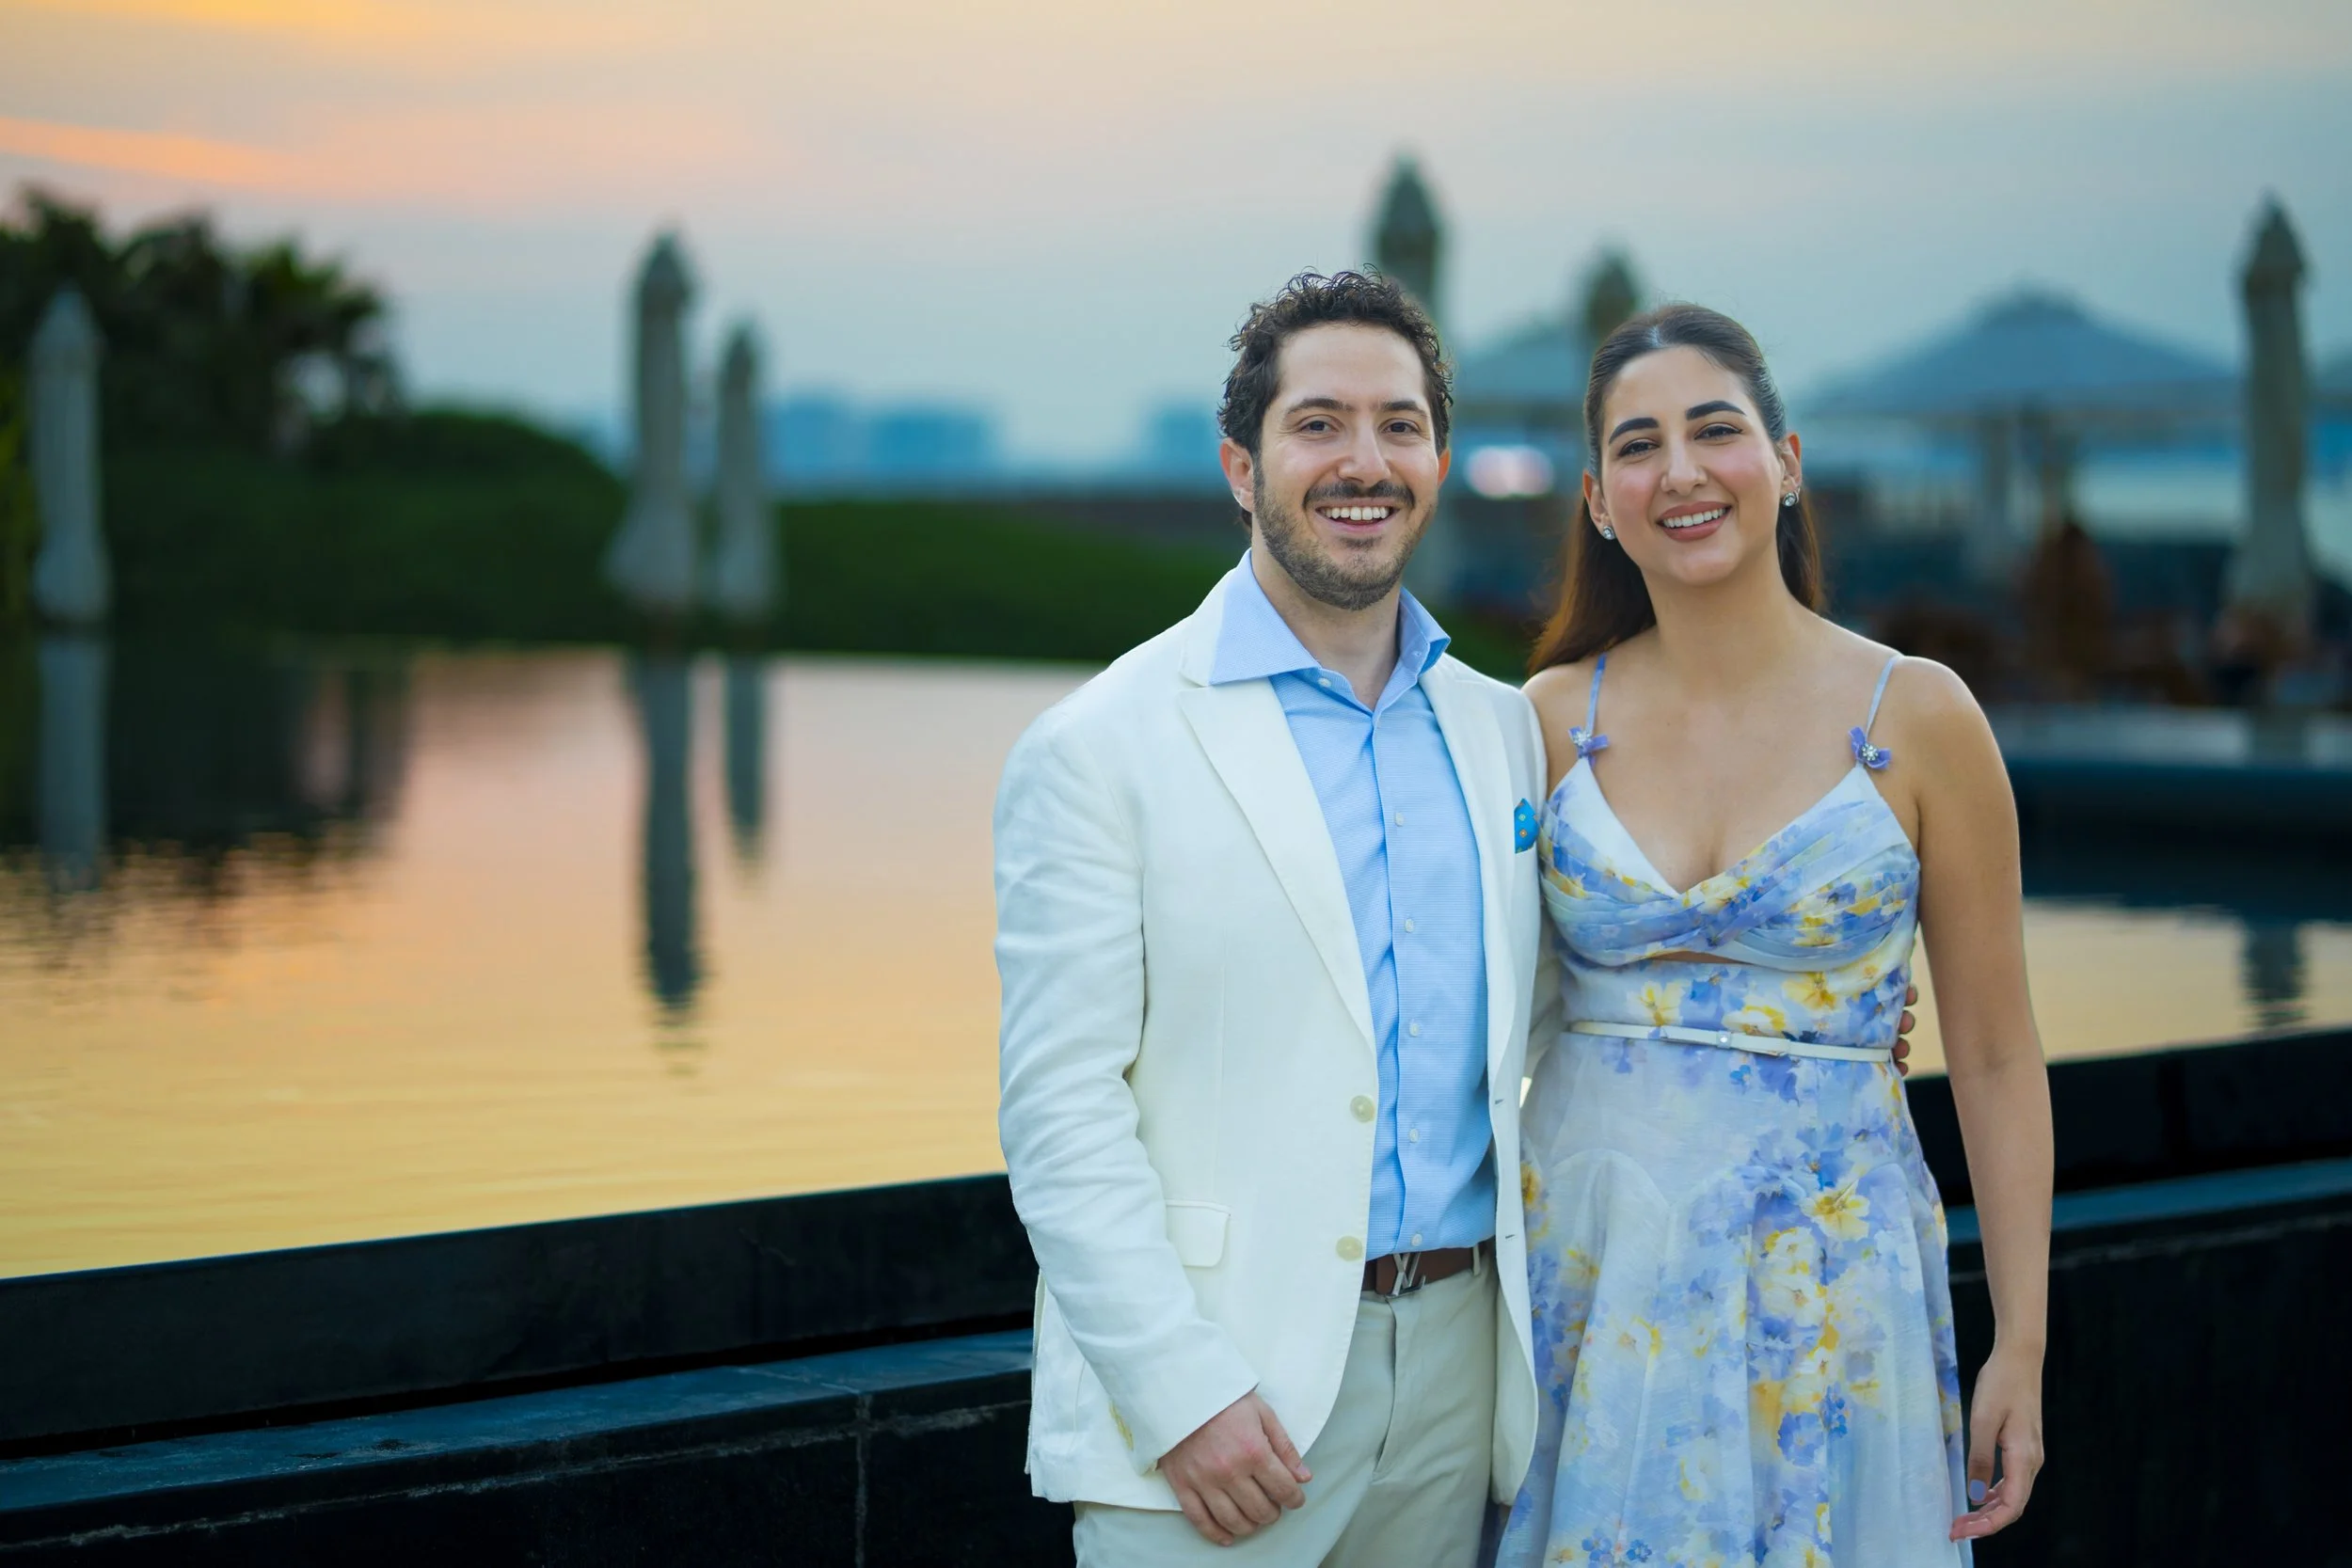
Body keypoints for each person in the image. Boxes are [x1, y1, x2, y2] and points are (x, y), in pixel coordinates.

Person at [993, 270, 1549, 1566]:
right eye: (1320, 424)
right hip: (1216, 1397)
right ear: (1242, 468)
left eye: (1401, 425)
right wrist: (1181, 1392)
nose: (1366, 462)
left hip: (1461, 1380)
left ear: (1440, 461)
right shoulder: (1099, 745)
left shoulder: (1502, 732)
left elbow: (1556, 1019)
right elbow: (1060, 1111)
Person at [1499, 305, 2052, 1566]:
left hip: (1831, 1268)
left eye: (1715, 431)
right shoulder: (1540, 722)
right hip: (1590, 1265)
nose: (1680, 473)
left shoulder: (1920, 716)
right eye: (1639, 446)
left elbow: (1996, 1055)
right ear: (1596, 501)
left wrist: (2020, 1340)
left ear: (1786, 462)